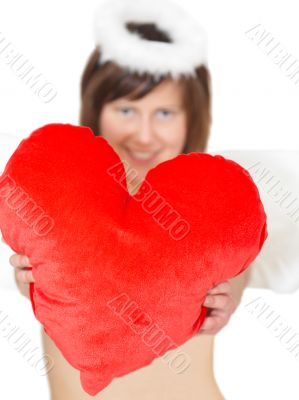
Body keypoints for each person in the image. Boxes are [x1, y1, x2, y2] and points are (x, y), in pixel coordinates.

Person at [7, 0, 252, 398]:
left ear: (193, 116)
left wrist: (230, 294)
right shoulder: (54, 202)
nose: (143, 134)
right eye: (126, 109)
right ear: (96, 108)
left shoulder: (215, 212)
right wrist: (30, 282)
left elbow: (239, 263)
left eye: (165, 113)